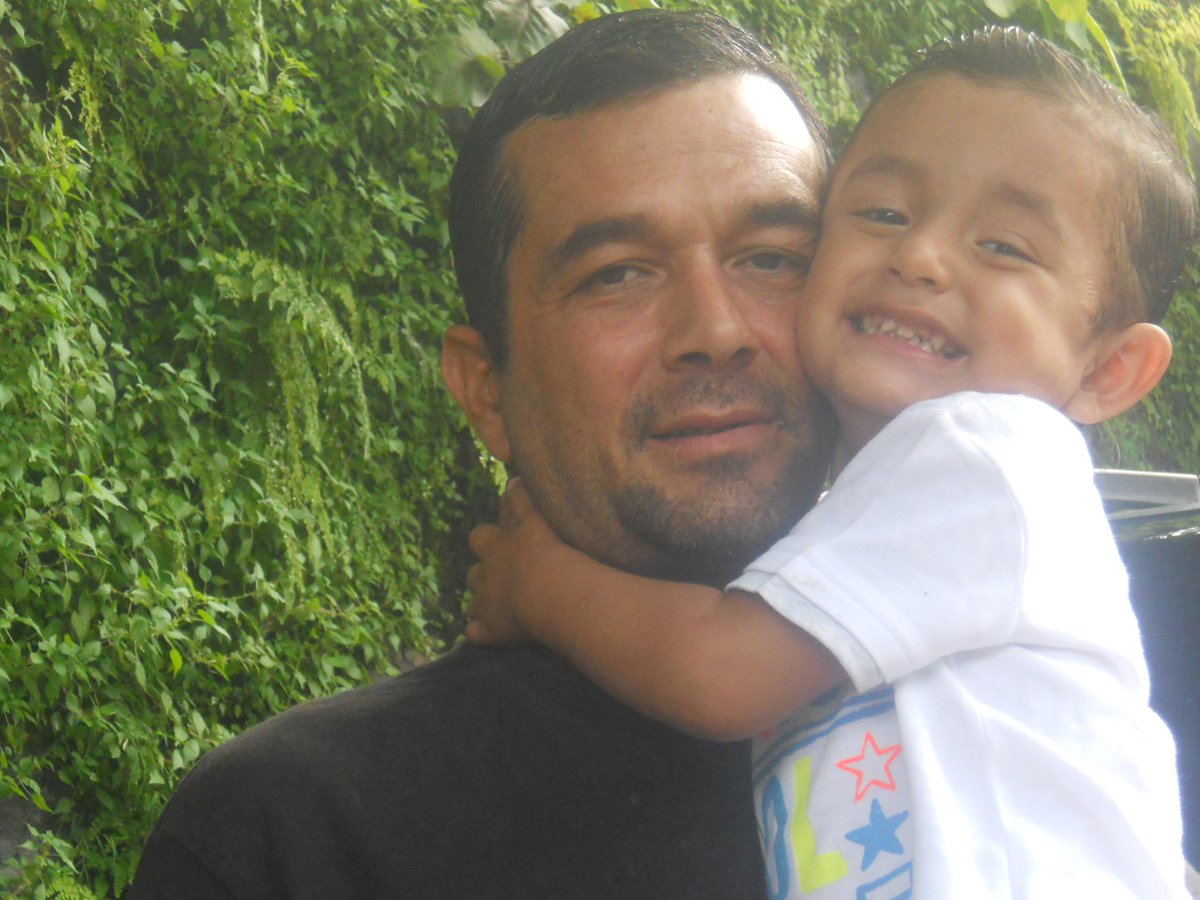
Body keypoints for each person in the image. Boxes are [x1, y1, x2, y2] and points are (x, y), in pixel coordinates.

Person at [465, 27, 1197, 898]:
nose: (918, 257)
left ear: (1111, 369)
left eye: (1004, 246)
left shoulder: (992, 457)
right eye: (882, 214)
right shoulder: (883, 523)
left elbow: (721, 673)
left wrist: (537, 583)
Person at [127, 10, 837, 898]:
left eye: (772, 258)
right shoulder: (299, 838)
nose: (716, 330)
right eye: (617, 274)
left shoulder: (996, 696)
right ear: (486, 391)